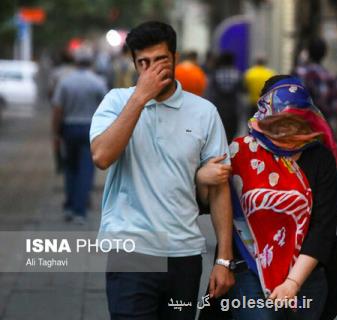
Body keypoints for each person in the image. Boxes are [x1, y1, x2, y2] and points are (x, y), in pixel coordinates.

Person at [89, 21, 235, 320]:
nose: (153, 69)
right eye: (144, 63)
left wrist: (224, 260)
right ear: (134, 64)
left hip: (184, 254)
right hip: (130, 253)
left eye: (160, 61)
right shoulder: (116, 102)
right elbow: (102, 157)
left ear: (175, 59)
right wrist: (140, 98)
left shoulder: (204, 112)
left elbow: (219, 187)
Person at [197, 75, 337, 320]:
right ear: (264, 114)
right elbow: (208, 203)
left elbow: (323, 227)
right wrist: (203, 179)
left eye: (296, 119)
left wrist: (292, 282)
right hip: (248, 271)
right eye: (280, 120)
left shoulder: (319, 157)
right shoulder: (239, 152)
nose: (288, 128)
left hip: (307, 274)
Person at [52, 47, 108, 224]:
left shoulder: (65, 82)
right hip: (91, 129)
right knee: (86, 169)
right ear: (91, 62)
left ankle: (69, 206)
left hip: (69, 127)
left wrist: (55, 132)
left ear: (76, 61)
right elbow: (106, 107)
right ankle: (80, 210)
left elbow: (57, 109)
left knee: (70, 168)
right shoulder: (98, 82)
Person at [294, 38, 337, 160]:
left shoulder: (297, 74)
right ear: (324, 55)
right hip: (321, 134)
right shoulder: (329, 77)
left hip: (297, 134)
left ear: (308, 53)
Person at [207, 52, 243, 142]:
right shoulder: (237, 74)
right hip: (233, 107)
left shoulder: (216, 74)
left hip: (220, 107)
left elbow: (211, 92)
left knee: (221, 131)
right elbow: (241, 90)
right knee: (232, 131)